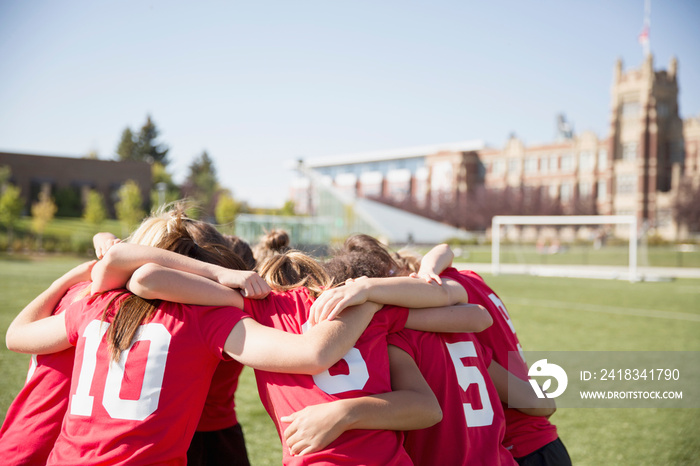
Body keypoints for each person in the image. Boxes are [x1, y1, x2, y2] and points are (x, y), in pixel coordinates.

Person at [4, 209, 386, 465]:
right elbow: (313, 353)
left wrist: (71, 277)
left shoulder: (96, 304)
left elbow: (16, 336)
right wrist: (371, 301)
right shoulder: (206, 319)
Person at [98, 242, 490, 464]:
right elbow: (471, 313)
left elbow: (146, 279)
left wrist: (223, 277)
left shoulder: (258, 307)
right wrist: (373, 292)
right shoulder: (362, 309)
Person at [415, 243, 572, 466]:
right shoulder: (472, 278)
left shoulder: (449, 294)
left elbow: (536, 403)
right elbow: (444, 249)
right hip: (536, 435)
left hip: (521, 441)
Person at [0, 262, 93, 466]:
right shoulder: (158, 312)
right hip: (75, 446)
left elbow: (14, 336)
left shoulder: (84, 297)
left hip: (31, 437)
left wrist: (67, 278)